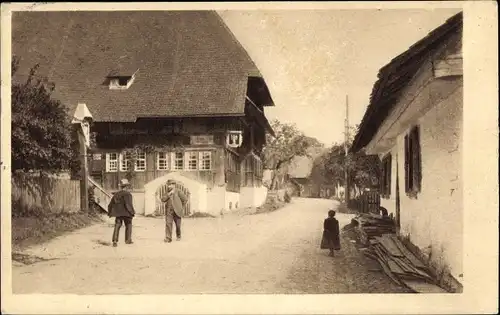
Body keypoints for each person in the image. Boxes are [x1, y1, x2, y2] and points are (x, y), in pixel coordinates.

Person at [108, 178, 135, 247]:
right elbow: (128, 204)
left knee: (117, 226)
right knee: (129, 225)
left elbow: (110, 204)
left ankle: (114, 241)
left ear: (121, 186)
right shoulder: (128, 194)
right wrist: (132, 212)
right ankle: (128, 240)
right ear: (126, 186)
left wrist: (110, 212)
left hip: (118, 214)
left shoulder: (116, 194)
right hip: (127, 213)